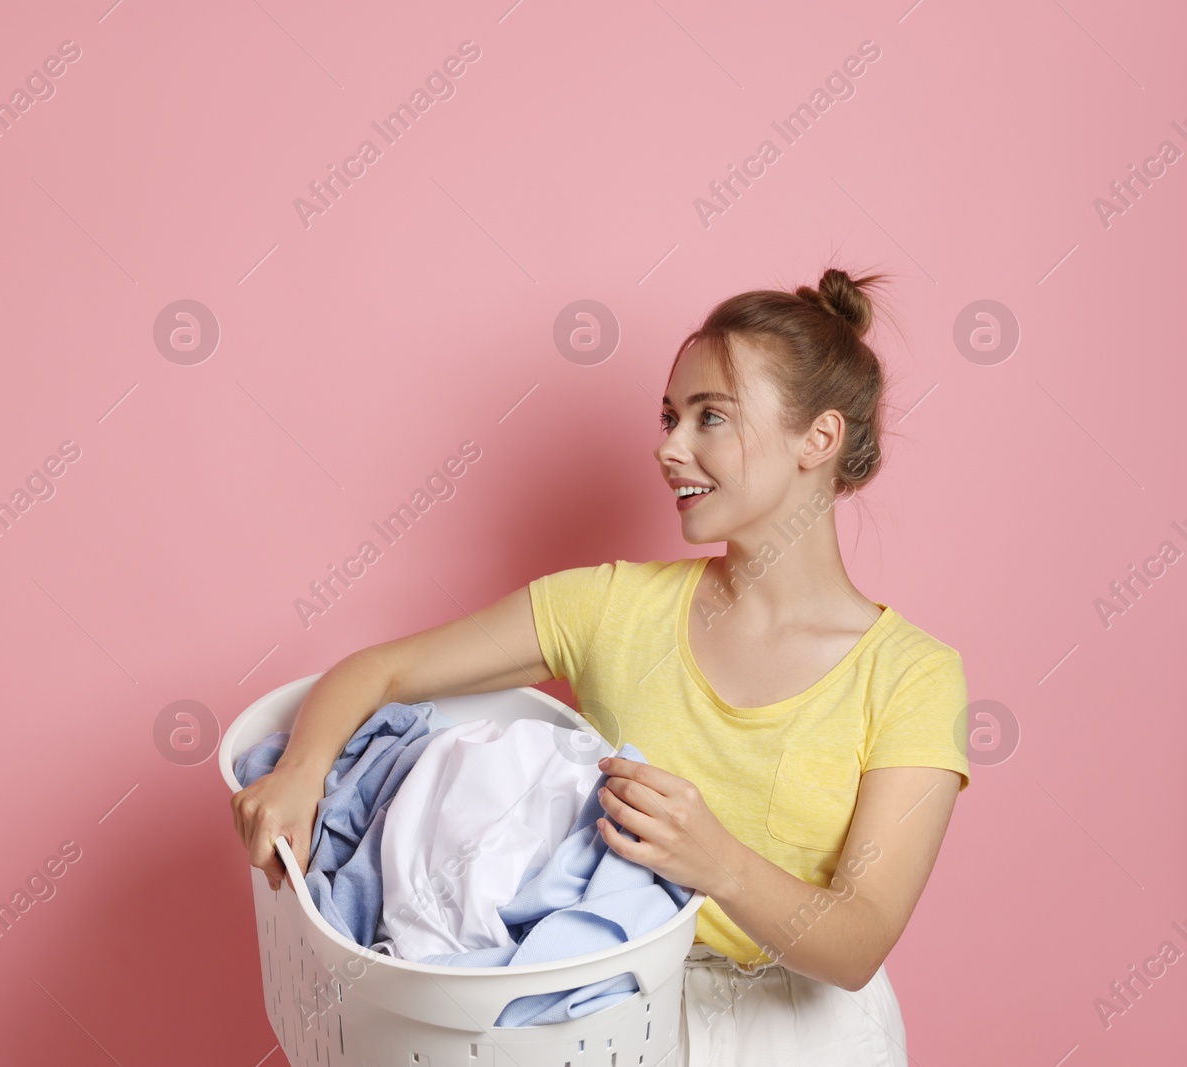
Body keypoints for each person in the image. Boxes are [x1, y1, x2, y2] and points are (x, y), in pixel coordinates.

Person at [230, 267, 970, 1066]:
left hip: (814, 1038)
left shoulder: (912, 676)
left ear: (817, 440)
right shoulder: (609, 607)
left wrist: (715, 861)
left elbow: (859, 940)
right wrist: (301, 774)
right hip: (614, 1020)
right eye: (667, 415)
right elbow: (378, 671)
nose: (668, 447)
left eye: (709, 417)